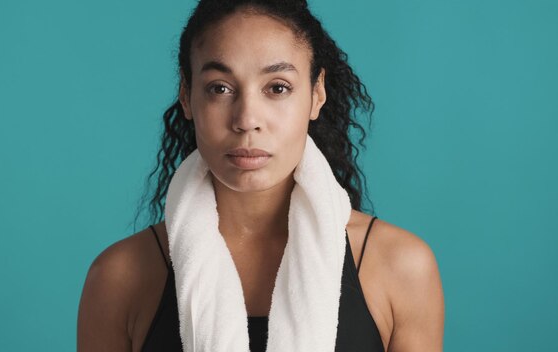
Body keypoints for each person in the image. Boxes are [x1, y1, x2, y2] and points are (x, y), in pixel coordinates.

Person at [77, 0, 445, 351]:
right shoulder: (119, 279)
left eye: (277, 88)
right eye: (220, 88)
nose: (247, 119)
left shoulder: (401, 268)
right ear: (187, 97)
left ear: (317, 94)